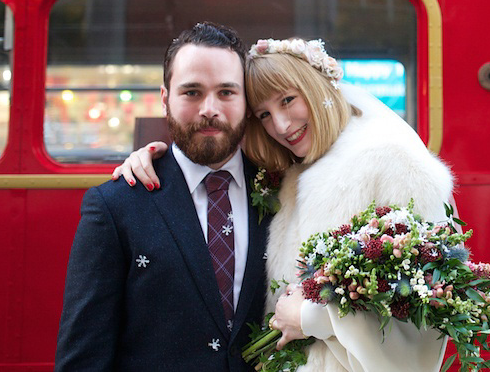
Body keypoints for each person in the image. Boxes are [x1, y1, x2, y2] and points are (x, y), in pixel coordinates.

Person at [117, 37, 454, 372]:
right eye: (263, 114)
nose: (280, 125)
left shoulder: (396, 163)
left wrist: (311, 318)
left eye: (288, 100)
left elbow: (424, 310)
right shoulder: (286, 174)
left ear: (317, 87)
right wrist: (154, 161)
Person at [55, 22, 270, 371]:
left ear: (247, 102)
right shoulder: (115, 206)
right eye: (192, 92)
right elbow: (83, 357)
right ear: (165, 98)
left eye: (227, 92)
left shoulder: (281, 191)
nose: (209, 109)